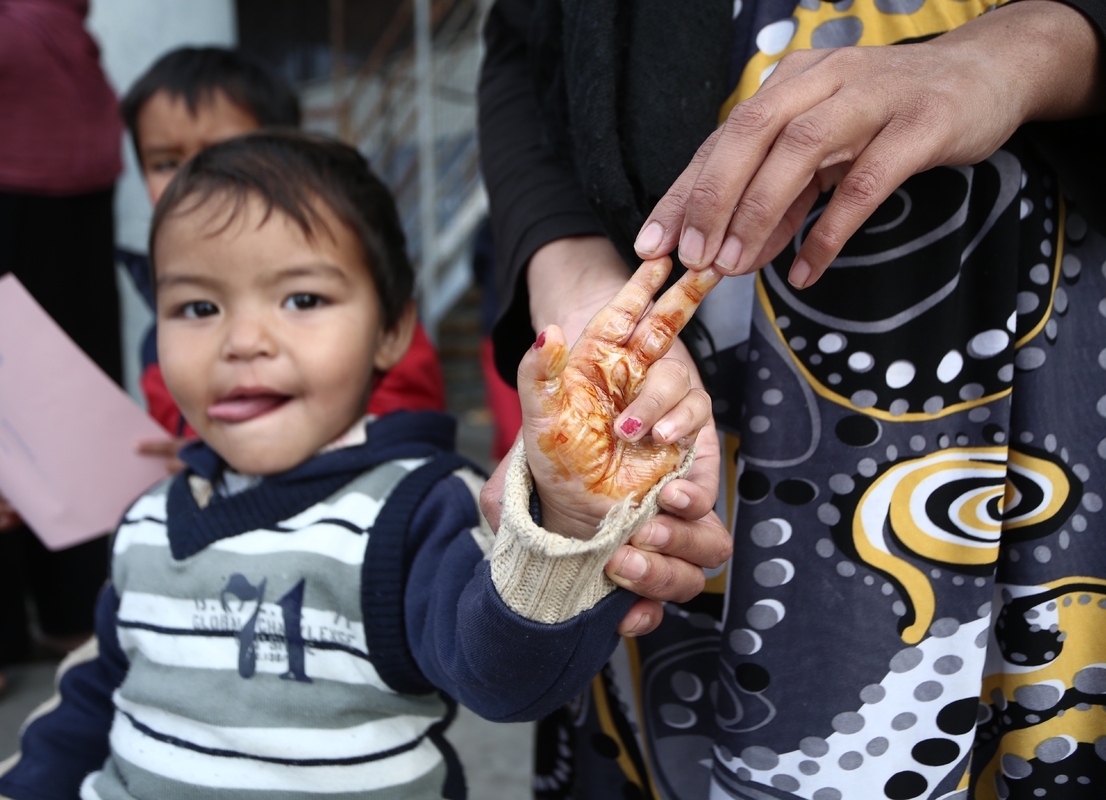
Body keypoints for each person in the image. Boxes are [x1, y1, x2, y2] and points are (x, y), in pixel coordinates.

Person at [479, 0, 1106, 797]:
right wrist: (585, 298)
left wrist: (1023, 50)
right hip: (677, 363)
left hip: (1071, 355)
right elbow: (528, 43)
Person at [0, 131, 719, 798]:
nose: (243, 340)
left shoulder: (415, 508)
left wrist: (564, 520)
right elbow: (98, 699)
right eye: (196, 308)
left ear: (392, 330)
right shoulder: (146, 518)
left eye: (302, 298)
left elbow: (508, 684)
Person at [116, 47, 444, 459]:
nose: (196, 181)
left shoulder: (426, 507)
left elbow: (408, 423)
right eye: (166, 163)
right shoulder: (160, 335)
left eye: (302, 301)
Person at [0, 0, 124, 695]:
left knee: (74, 398)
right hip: (9, 196)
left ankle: (72, 606)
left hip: (77, 201)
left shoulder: (63, 27)